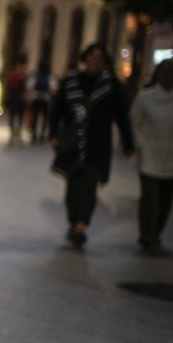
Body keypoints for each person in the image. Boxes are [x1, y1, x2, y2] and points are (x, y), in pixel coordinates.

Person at [48, 42, 135, 249]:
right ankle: (73, 221)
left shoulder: (111, 85)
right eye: (92, 56)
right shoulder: (71, 80)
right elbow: (57, 108)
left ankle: (81, 226)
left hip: (98, 144)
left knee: (89, 184)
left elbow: (121, 115)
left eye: (99, 57)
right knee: (73, 186)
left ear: (105, 61)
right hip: (73, 143)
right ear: (85, 58)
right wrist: (53, 133)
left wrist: (128, 142)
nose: (95, 60)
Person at [131, 57, 173, 254]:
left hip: (170, 157)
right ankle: (147, 234)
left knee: (165, 200)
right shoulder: (145, 97)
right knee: (150, 198)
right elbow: (135, 123)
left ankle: (156, 232)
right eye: (165, 71)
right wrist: (140, 144)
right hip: (150, 156)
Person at [3, 52, 29, 144]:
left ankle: (16, 132)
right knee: (14, 116)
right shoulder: (21, 75)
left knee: (16, 116)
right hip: (16, 97)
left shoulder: (16, 74)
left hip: (16, 97)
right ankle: (14, 132)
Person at [28, 59, 56, 144]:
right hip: (45, 99)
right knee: (44, 118)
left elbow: (29, 86)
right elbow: (53, 88)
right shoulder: (49, 76)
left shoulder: (35, 75)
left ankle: (34, 134)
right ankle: (42, 135)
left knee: (35, 116)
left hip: (36, 98)